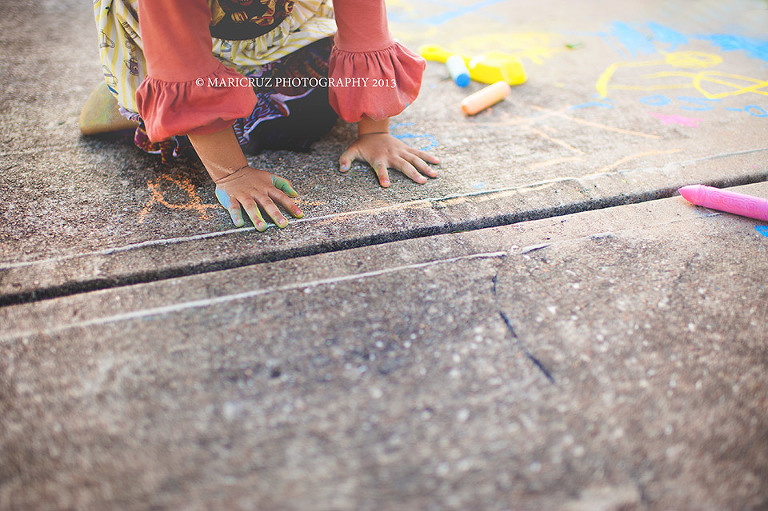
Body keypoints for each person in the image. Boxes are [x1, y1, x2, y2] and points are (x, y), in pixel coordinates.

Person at [85, 0, 439, 231]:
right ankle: (133, 90)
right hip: (169, 37)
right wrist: (232, 174)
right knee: (180, 138)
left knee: (314, 109)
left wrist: (375, 131)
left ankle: (230, 81)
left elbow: (365, 29)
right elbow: (183, 64)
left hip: (270, 31)